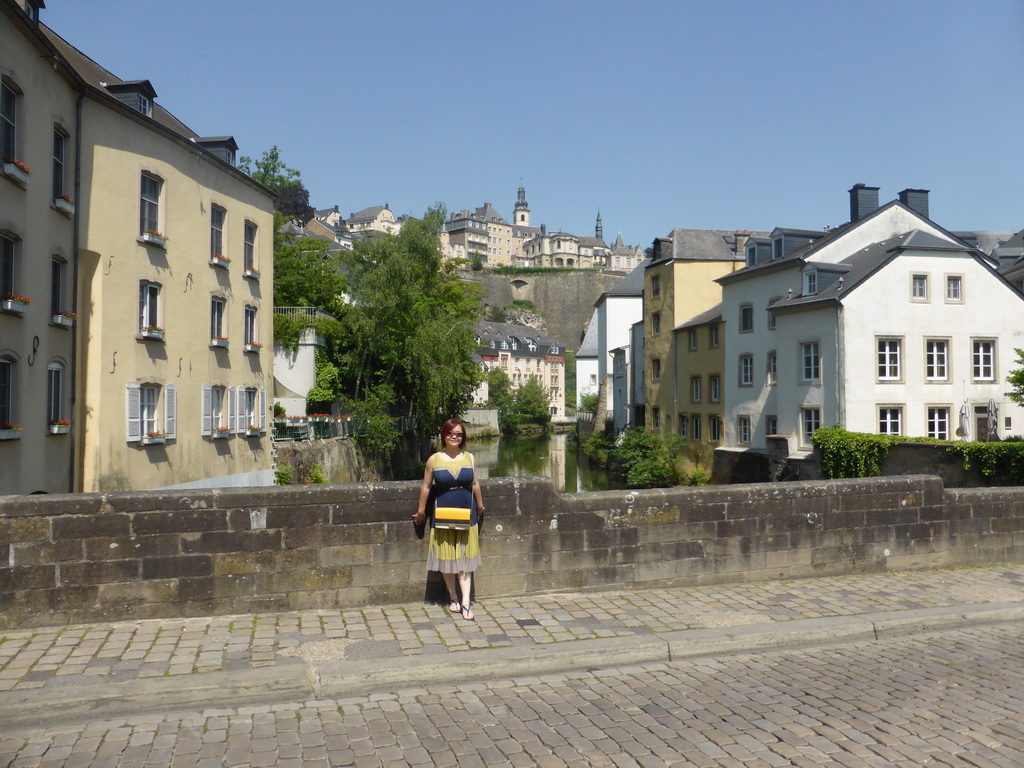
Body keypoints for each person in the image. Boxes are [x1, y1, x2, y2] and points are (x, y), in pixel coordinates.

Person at [413, 418, 484, 621]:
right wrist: (421, 512)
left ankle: (466, 602)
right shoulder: (434, 460)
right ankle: (453, 598)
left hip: (466, 511)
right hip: (442, 511)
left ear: (463, 437)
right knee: (447, 557)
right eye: (451, 433)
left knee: (464, 559)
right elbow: (426, 487)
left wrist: (479, 506)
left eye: (459, 434)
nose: (454, 436)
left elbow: (476, 484)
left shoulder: (470, 458)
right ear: (444, 435)